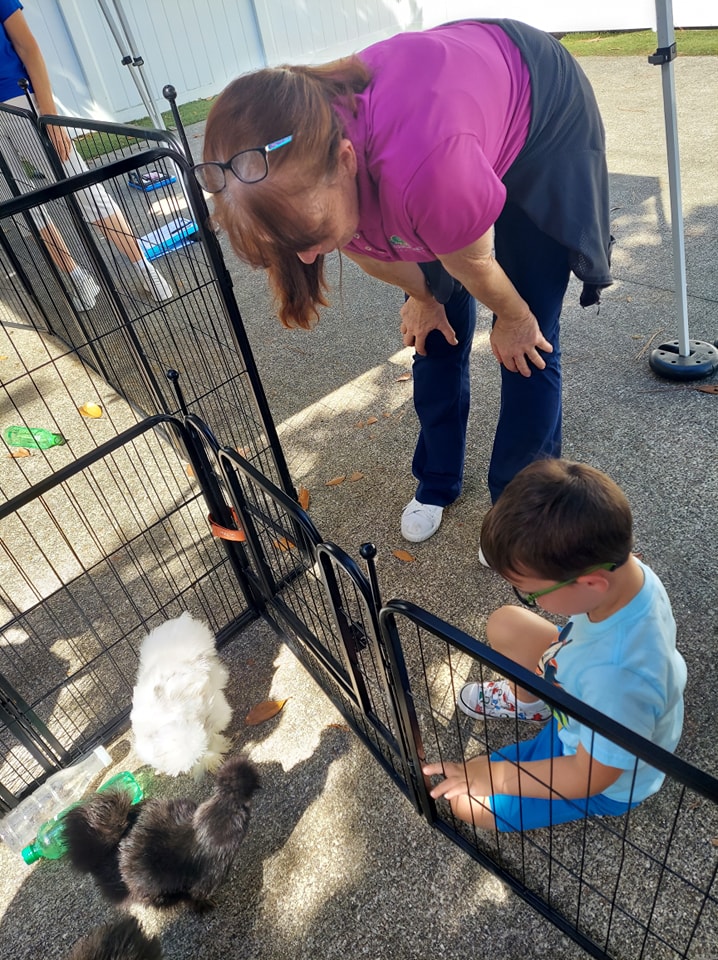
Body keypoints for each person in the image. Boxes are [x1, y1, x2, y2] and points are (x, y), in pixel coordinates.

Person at [197, 19, 614, 543]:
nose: (307, 255)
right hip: (446, 143)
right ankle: (437, 480)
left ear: (347, 161)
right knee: (433, 334)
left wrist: (514, 316)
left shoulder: (428, 171)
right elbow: (369, 249)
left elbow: (474, 262)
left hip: (538, 116)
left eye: (312, 235)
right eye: (292, 245)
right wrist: (423, 296)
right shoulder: (306, 171)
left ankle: (520, 509)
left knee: (527, 345)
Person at [422, 459, 687, 833]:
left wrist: (498, 776)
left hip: (597, 770)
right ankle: (533, 704)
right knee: (506, 622)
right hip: (583, 697)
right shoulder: (627, 571)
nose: (528, 598)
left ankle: (543, 711)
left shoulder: (619, 677)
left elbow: (590, 776)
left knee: (466, 804)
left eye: (532, 594)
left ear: (592, 584)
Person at [0, 1, 171, 311]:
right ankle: (79, 278)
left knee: (87, 190)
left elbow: (28, 47)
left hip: (19, 101)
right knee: (26, 208)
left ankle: (144, 268)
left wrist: (48, 114)